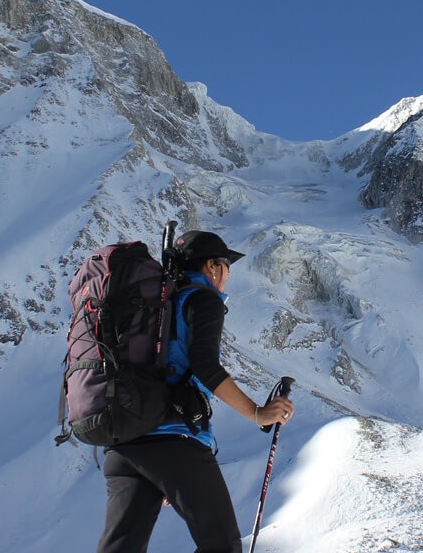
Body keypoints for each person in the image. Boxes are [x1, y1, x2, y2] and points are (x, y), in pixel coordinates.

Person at [97, 230, 296, 553]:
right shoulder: (201, 298)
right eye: (227, 266)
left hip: (123, 443)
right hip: (173, 440)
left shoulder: (154, 304)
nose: (228, 275)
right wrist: (257, 413)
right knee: (222, 546)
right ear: (212, 267)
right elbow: (205, 365)